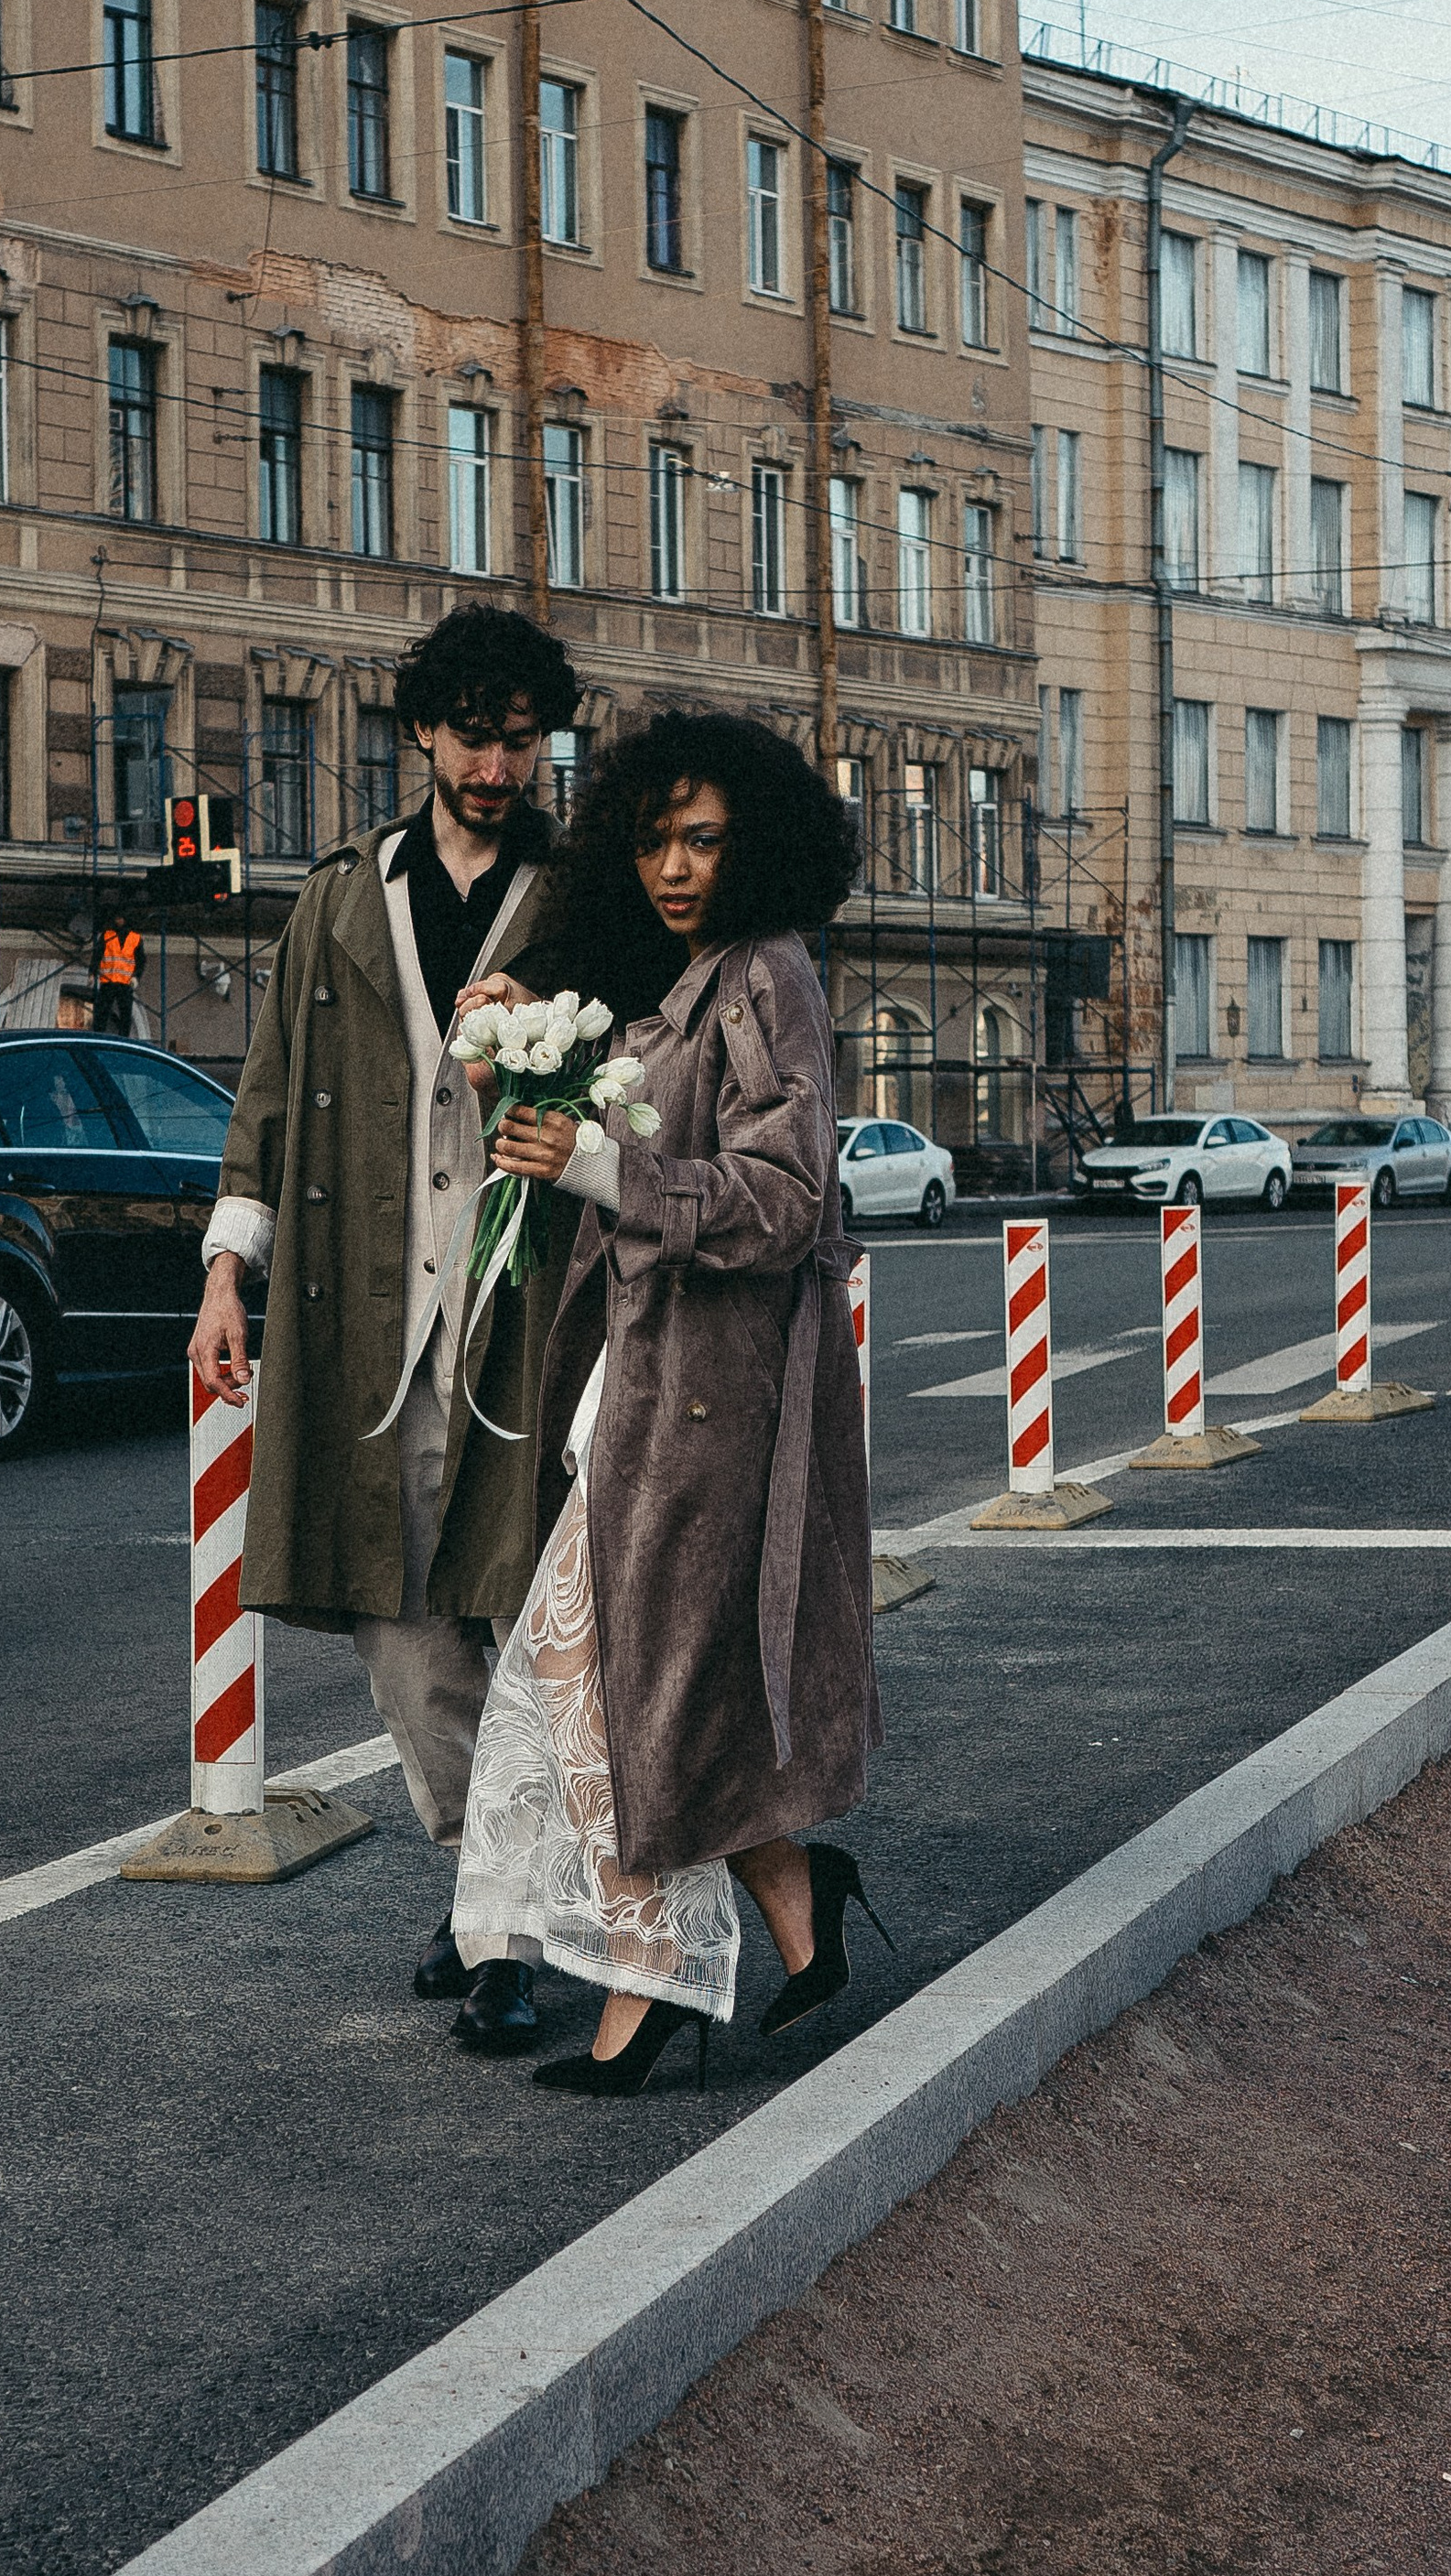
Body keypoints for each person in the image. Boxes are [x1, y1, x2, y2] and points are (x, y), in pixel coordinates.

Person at [450, 709, 881, 2095]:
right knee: (615, 1684)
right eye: (652, 841)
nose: (675, 867)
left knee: (611, 1687)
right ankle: (785, 1889)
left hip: (720, 1399)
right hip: (647, 1384)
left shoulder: (769, 974)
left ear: (757, 842)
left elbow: (792, 1196)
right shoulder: (697, 975)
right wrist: (547, 1124)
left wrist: (598, 1166)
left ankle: (658, 1990)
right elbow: (643, 1152)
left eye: (703, 839)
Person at [188, 604, 591, 2051]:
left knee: (535, 1616)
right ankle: (497, 1900)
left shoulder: (588, 890)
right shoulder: (341, 896)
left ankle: (503, 1926)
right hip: (364, 1314)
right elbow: (270, 1097)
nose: (498, 764)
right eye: (475, 735)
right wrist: (229, 1276)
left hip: (537, 1302)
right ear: (421, 732)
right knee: (398, 1608)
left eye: (522, 738)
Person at [91, 907, 144, 1036]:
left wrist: (136, 977)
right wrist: (92, 973)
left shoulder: (135, 938)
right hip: (108, 981)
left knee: (125, 1014)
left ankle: (124, 1037)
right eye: (117, 918)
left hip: (125, 983)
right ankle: (99, 1036)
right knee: (102, 1012)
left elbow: (141, 960)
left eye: (120, 918)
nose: (118, 921)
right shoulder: (107, 935)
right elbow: (97, 955)